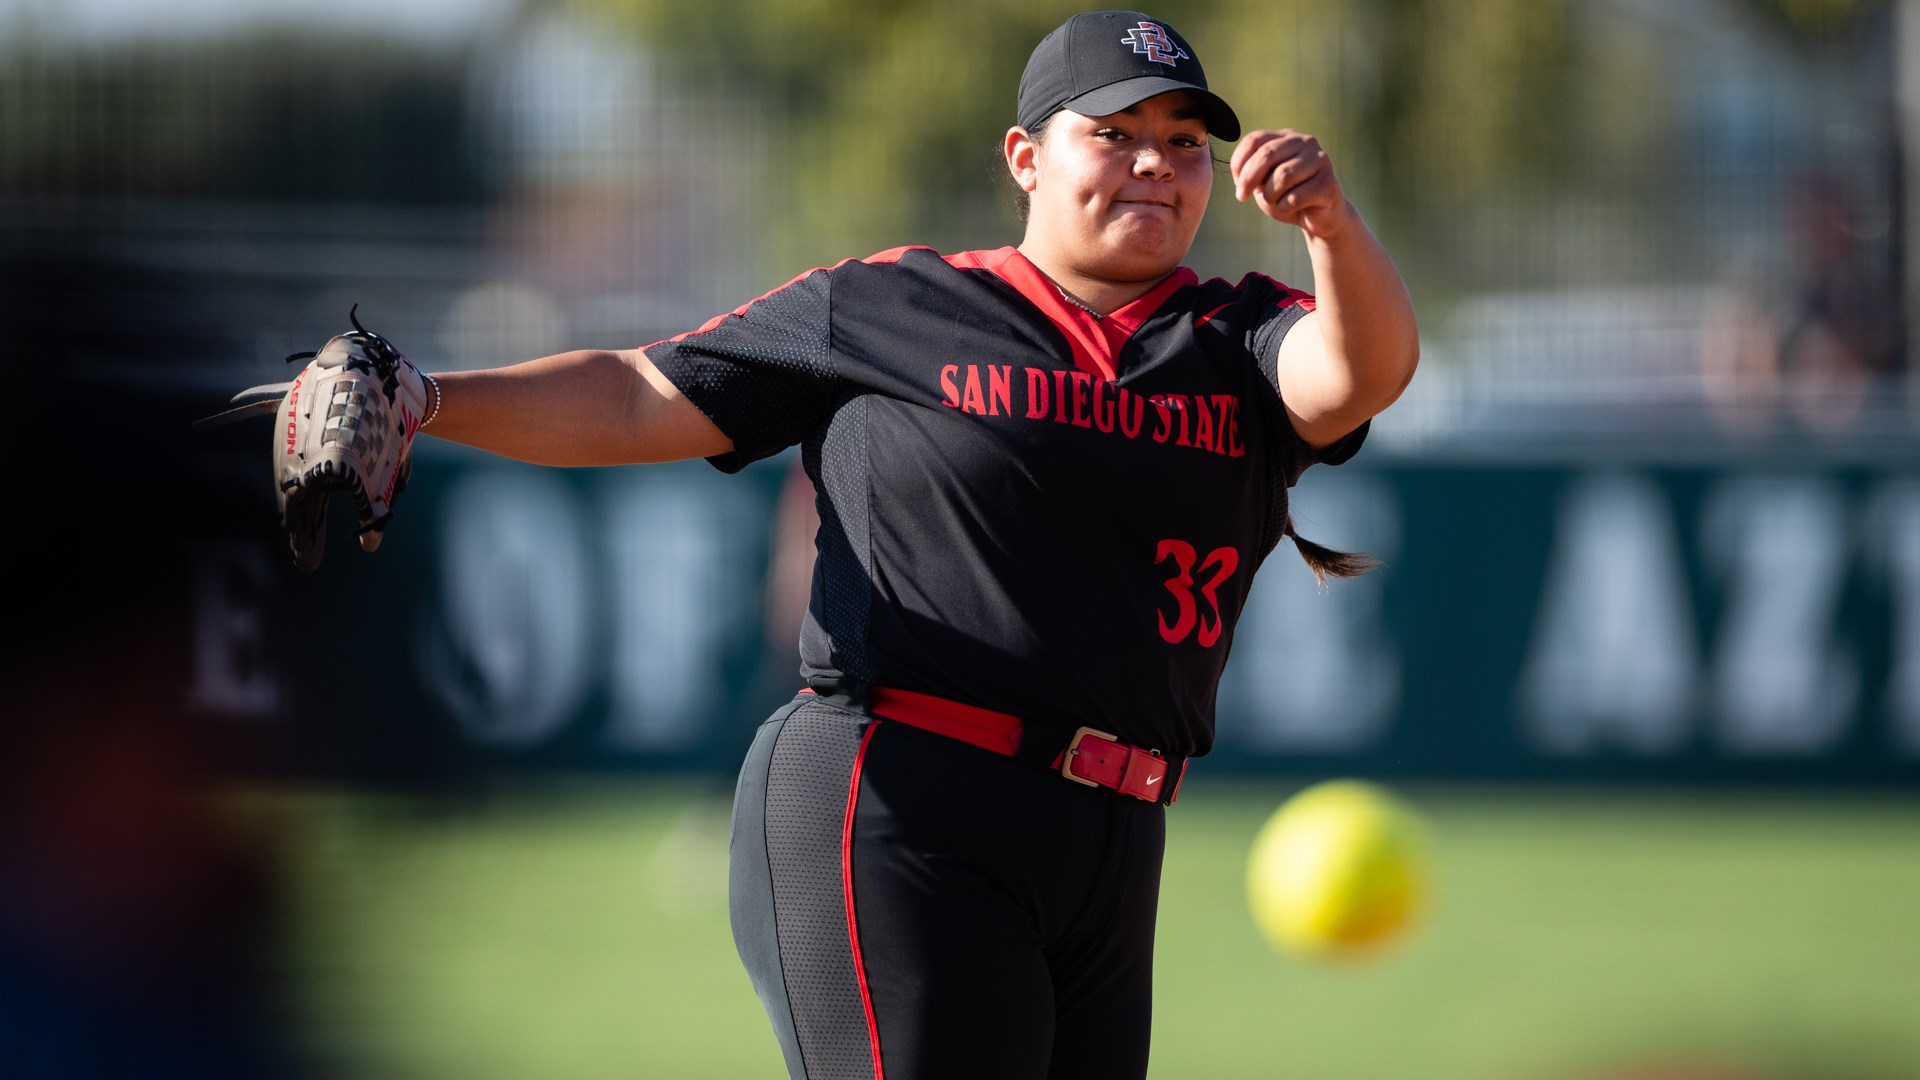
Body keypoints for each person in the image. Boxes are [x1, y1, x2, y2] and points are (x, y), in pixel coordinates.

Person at [340, 10, 1416, 1078]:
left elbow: (1361, 376)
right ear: (1025, 158)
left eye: (1186, 140)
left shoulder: (1237, 336)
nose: (1157, 163)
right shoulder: (892, 305)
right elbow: (635, 395)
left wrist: (1329, 224)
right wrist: (423, 394)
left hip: (1115, 835)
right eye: (1116, 131)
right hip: (900, 797)